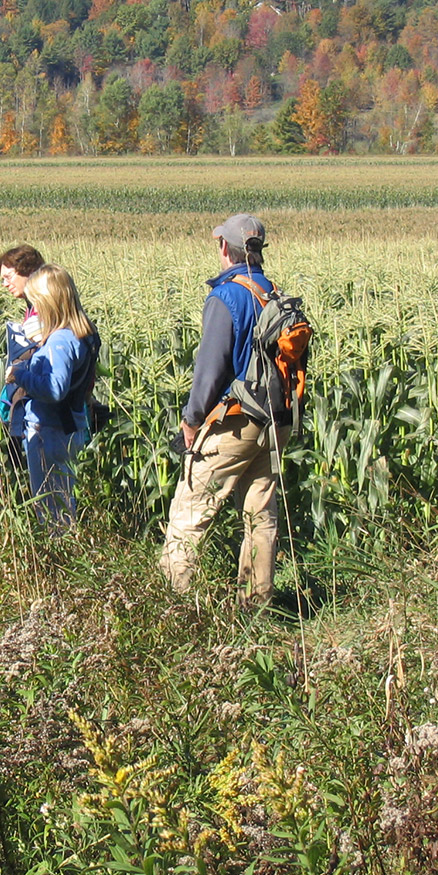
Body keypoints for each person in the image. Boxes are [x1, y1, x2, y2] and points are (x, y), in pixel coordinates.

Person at [159, 214, 292, 608]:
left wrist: (192, 418)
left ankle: (172, 608)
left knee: (190, 513)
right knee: (260, 516)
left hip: (233, 423)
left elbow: (210, 367)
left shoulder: (226, 296)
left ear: (223, 248)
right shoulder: (272, 291)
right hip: (273, 420)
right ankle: (255, 605)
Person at [5, 264, 101, 525]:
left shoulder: (59, 341)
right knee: (64, 498)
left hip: (49, 430)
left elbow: (54, 389)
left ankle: (56, 556)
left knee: (51, 508)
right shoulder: (84, 333)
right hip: (72, 423)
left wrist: (20, 374)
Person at [0, 245, 45, 470]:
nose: (5, 284)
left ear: (28, 272)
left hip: (44, 418)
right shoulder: (32, 306)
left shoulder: (46, 308)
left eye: (9, 276)